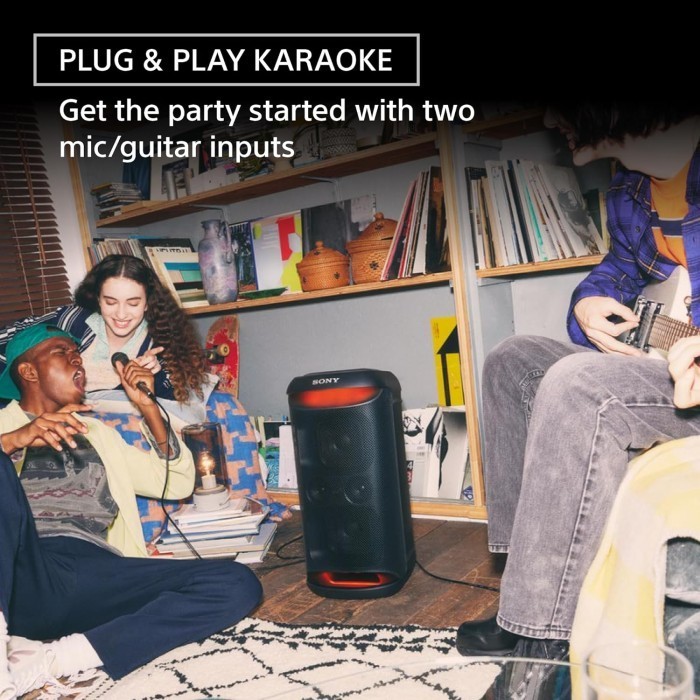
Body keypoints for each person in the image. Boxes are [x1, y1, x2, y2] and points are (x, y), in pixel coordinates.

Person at [455, 101, 700, 660]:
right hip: (669, 367)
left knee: (580, 382)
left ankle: (544, 630)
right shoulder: (632, 188)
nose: (548, 120)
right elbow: (616, 269)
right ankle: (523, 586)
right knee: (512, 359)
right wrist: (588, 302)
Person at [0, 324, 262, 698]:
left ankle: (57, 658)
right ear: (28, 371)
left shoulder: (96, 432)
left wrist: (148, 408)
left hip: (96, 572)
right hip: (22, 570)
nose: (77, 359)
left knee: (236, 583)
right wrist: (13, 441)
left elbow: (175, 483)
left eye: (78, 352)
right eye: (62, 352)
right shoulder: (4, 427)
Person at [0, 254, 212, 417]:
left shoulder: (161, 344)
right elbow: (9, 341)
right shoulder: (72, 320)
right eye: (110, 302)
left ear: (148, 303)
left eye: (133, 303)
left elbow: (182, 414)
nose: (121, 314)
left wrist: (156, 379)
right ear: (98, 299)